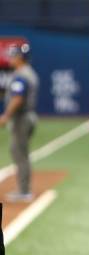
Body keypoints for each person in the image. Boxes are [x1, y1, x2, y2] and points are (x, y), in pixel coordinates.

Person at [0, 43, 38, 202]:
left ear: (19, 58)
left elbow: (17, 98)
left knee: (19, 153)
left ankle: (24, 191)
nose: (10, 58)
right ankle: (24, 189)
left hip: (21, 118)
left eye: (13, 55)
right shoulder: (28, 72)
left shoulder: (21, 74)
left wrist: (5, 116)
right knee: (19, 152)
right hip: (27, 117)